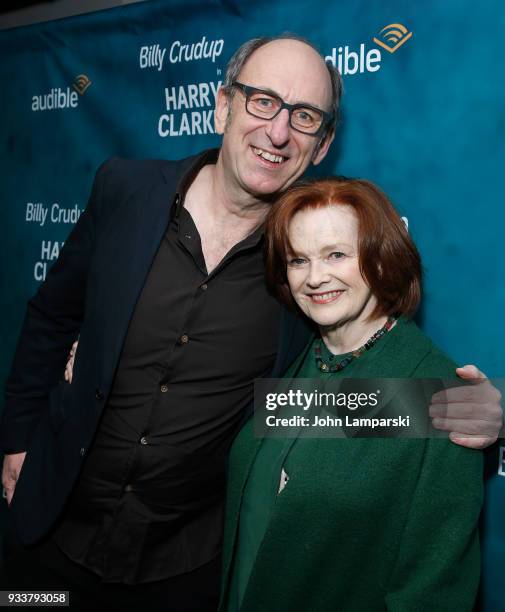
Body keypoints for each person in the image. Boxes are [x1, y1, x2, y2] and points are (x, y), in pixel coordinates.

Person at [0, 36, 500, 610]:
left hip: (178, 574)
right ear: (222, 105)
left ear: (322, 143)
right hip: (48, 534)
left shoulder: (302, 260)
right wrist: (16, 439)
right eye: (262, 100)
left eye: (304, 116)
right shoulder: (125, 191)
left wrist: (467, 410)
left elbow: (330, 394)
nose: (278, 131)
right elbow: (50, 316)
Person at [220, 177, 484, 612]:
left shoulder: (440, 397)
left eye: (336, 255)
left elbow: (432, 594)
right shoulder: (293, 354)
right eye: (298, 260)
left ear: (382, 259)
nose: (315, 278)